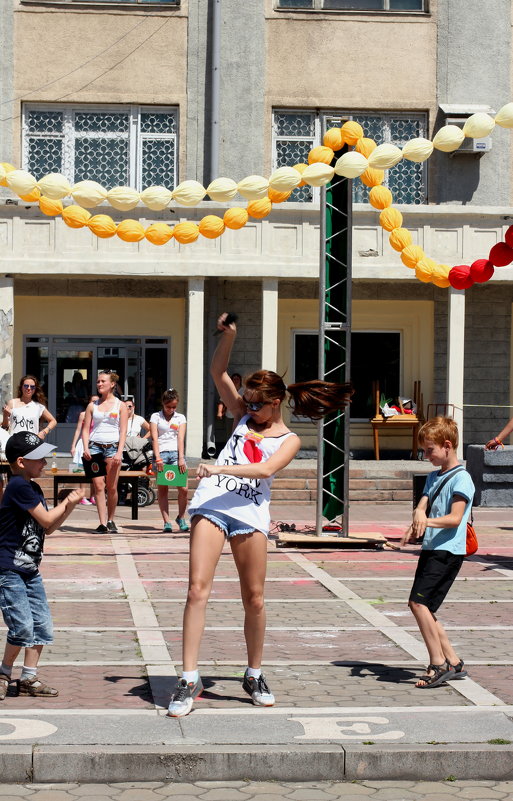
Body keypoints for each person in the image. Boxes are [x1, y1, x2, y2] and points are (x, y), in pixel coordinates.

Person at [167, 312, 352, 717]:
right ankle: (187, 678)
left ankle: (253, 673)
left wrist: (219, 467)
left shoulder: (289, 439)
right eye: (245, 402)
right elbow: (217, 370)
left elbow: (265, 470)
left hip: (249, 515)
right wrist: (230, 335)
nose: (248, 409)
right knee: (197, 589)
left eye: (256, 404)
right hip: (213, 507)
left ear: (275, 402)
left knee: (254, 598)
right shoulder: (240, 414)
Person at [0, 431, 85, 700]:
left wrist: (68, 508)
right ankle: (4, 673)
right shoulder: (18, 486)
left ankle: (28, 678)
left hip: (30, 570)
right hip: (10, 569)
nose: (45, 463)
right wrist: (67, 501)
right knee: (22, 627)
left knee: (42, 626)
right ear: (22, 462)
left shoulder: (33, 488)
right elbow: (48, 520)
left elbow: (47, 528)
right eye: (39, 459)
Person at [401, 417, 475, 689]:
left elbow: (455, 518)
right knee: (426, 608)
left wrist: (425, 521)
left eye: (429, 450)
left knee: (418, 604)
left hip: (448, 552)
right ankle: (453, 662)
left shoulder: (462, 478)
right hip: (432, 548)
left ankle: (437, 663)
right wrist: (418, 515)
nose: (426, 455)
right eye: (423, 450)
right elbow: (422, 504)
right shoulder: (434, 476)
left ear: (447, 446)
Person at [82, 372, 128, 534]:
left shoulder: (120, 405)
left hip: (113, 448)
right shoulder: (92, 405)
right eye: (98, 382)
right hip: (94, 448)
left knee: (112, 487)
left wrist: (119, 452)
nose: (99, 384)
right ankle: (102, 523)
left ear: (112, 384)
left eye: (103, 381)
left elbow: (123, 431)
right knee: (98, 486)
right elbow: (85, 428)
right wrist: (85, 447)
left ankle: (111, 519)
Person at [150, 389, 188, 533]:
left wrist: (181, 458)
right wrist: (158, 457)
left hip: (175, 454)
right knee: (163, 488)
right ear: (163, 404)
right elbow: (154, 437)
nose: (171, 410)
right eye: (168, 407)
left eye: (174, 407)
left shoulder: (180, 418)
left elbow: (180, 438)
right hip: (161, 454)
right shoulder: (155, 417)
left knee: (183, 489)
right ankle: (167, 521)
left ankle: (181, 517)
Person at [70, 395, 99, 506]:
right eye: (93, 401)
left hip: (96, 443)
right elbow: (78, 430)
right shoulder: (83, 414)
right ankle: (82, 496)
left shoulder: (100, 415)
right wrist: (73, 446)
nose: (96, 403)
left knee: (94, 471)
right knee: (82, 471)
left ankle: (93, 496)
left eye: (97, 401)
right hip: (83, 443)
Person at [216, 372, 243, 443]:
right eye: (234, 379)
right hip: (230, 415)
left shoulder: (244, 391)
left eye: (237, 379)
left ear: (240, 380)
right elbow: (222, 402)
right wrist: (219, 412)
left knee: (240, 433)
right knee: (229, 433)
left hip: (242, 416)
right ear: (231, 380)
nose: (236, 380)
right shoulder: (227, 390)